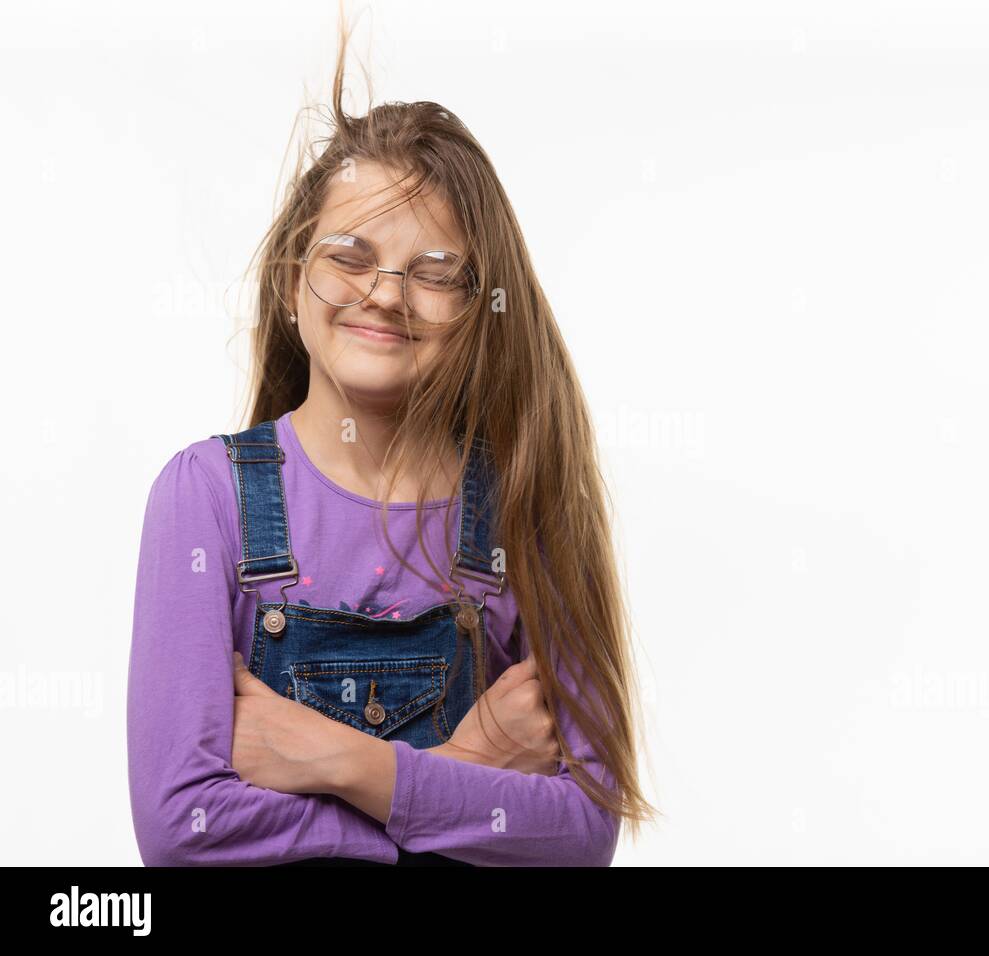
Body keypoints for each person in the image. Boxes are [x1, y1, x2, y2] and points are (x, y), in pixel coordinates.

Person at [125, 22, 655, 867]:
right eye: (351, 256)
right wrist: (462, 770)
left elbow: (582, 831)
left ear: (479, 310)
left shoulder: (526, 503)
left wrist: (343, 761)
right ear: (294, 277)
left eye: (434, 272)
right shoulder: (206, 497)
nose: (384, 294)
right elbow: (182, 831)